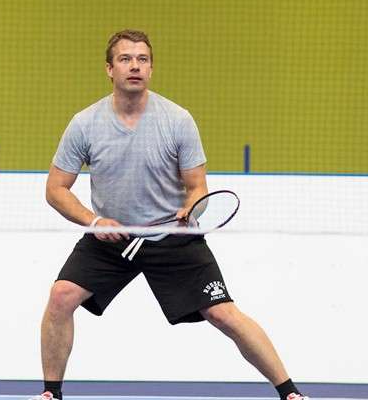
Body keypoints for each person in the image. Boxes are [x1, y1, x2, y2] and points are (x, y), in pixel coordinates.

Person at [32, 29, 306, 400]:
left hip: (173, 237)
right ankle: (51, 394)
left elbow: (198, 186)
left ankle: (290, 393)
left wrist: (191, 207)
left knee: (223, 313)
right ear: (109, 69)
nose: (135, 66)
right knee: (61, 296)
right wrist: (94, 222)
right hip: (112, 238)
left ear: (151, 68)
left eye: (142, 59)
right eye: (126, 59)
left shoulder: (177, 120)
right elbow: (55, 189)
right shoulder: (85, 123)